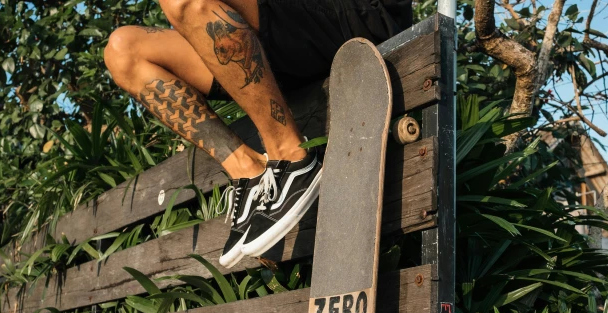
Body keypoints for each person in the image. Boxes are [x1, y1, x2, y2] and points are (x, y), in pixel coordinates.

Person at [104, 0, 412, 268]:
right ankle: (248, 172)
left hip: (359, 15)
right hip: (284, 35)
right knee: (122, 50)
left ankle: (293, 157)